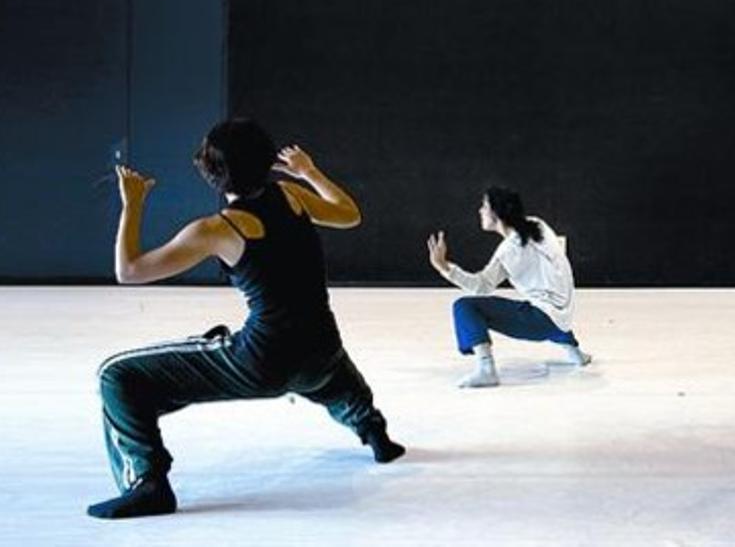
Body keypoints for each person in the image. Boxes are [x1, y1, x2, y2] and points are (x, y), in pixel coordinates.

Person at [87, 118, 405, 519]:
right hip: (323, 350)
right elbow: (348, 214)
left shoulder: (219, 229)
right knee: (321, 362)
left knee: (116, 375)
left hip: (263, 365)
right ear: (268, 162)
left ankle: (148, 483)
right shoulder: (293, 195)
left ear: (214, 173)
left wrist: (132, 206)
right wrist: (309, 172)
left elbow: (129, 271)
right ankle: (374, 430)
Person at [426, 187, 589, 388]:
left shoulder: (509, 250)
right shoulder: (538, 224)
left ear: (496, 213)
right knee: (547, 302)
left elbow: (481, 286)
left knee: (464, 307)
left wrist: (444, 267)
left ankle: (486, 369)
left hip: (543, 321)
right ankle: (575, 353)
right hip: (565, 314)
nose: (480, 211)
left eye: (484, 206)